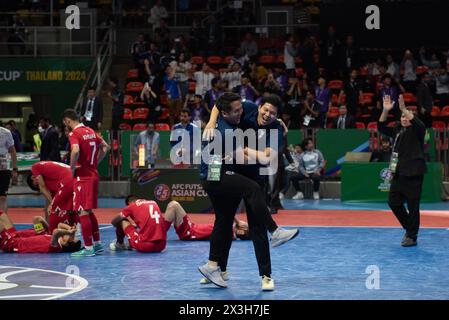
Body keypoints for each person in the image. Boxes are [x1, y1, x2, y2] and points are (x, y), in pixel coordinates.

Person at [200, 93, 298, 291]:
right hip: (229, 173)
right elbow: (221, 104)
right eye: (266, 110)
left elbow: (266, 158)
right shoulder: (245, 108)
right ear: (259, 106)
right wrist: (211, 122)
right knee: (224, 220)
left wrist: (241, 149)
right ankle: (219, 269)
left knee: (257, 227)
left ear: (278, 115)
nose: (268, 114)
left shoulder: (276, 130)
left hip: (252, 176)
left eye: (273, 113)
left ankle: (266, 276)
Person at [378, 95, 426, 247]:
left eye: (406, 116)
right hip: (398, 173)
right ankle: (410, 228)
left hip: (413, 174)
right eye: (402, 116)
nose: (404, 118)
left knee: (413, 207)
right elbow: (381, 127)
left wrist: (404, 108)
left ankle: (411, 236)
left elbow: (421, 125)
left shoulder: (417, 130)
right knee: (393, 202)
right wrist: (385, 111)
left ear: (411, 118)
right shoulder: (398, 129)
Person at [62, 109, 111, 257]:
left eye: (66, 123)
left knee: (82, 212)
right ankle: (97, 244)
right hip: (93, 174)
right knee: (88, 211)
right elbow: (106, 147)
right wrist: (95, 162)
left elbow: (75, 150)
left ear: (68, 121)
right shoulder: (90, 130)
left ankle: (88, 248)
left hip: (82, 177)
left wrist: (71, 169)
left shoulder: (74, 134)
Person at [0, 210, 81, 253]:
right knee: (2, 215)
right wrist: (70, 228)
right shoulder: (47, 235)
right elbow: (37, 219)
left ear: (66, 243)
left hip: (11, 244)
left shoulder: (55, 247)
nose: (72, 235)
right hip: (14, 236)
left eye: (72, 237)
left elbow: (57, 231)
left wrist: (69, 232)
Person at [27, 161, 76, 228]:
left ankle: (51, 231)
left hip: (67, 179)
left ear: (33, 177)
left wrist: (52, 203)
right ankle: (70, 229)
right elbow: (48, 194)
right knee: (69, 209)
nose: (39, 186)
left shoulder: (35, 167)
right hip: (74, 177)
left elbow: (42, 187)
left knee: (53, 208)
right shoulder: (50, 177)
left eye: (37, 184)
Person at [0, 125, 18, 214]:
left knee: (2, 197)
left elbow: (12, 151)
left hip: (4, 168)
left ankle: (4, 225)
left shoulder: (6, 132)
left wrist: (15, 169)